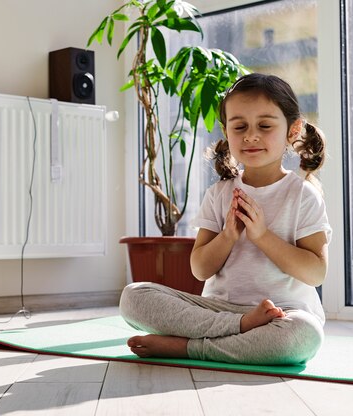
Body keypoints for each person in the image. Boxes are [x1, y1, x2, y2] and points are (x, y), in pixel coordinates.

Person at [119, 73, 332, 365]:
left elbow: (315, 273)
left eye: (265, 125)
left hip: (283, 313)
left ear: (292, 130)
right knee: (133, 297)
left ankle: (188, 348)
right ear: (226, 131)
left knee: (303, 336)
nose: (251, 136)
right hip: (217, 311)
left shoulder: (303, 196)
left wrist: (262, 237)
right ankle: (240, 329)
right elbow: (200, 269)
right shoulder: (219, 194)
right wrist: (228, 236)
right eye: (240, 126)